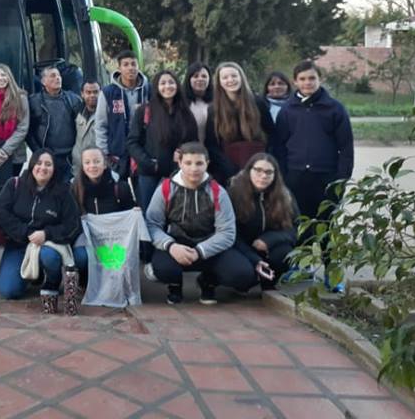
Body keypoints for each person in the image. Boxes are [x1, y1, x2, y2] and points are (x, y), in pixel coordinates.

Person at [273, 60, 354, 292]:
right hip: (296, 178)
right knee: (300, 226)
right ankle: (302, 266)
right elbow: (279, 146)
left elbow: (346, 148)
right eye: (302, 79)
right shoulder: (288, 110)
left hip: (325, 179)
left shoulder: (334, 109)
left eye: (312, 78)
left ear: (320, 80)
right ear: (295, 82)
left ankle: (332, 273)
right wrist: (283, 177)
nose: (307, 83)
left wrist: (340, 180)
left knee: (326, 227)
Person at [145, 142, 254, 304]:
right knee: (163, 269)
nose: (194, 168)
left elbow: (227, 232)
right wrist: (170, 246)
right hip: (176, 244)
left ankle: (208, 281)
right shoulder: (165, 188)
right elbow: (152, 224)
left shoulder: (218, 192)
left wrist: (200, 251)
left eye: (199, 163)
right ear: (180, 163)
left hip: (209, 246)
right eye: (188, 163)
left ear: (207, 164)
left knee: (243, 274)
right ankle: (175, 285)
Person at [0, 149, 81, 312]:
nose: (43, 168)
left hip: (48, 245)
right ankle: (35, 274)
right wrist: (25, 232)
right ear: (32, 164)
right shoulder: (14, 185)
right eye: (39, 163)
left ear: (54, 168)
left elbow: (72, 224)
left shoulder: (63, 192)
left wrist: (47, 234)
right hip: (19, 244)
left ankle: (53, 281)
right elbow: (1, 211)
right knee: (8, 291)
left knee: (49, 256)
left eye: (48, 164)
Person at [127, 69, 198, 211]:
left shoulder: (185, 112)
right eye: (163, 83)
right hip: (149, 174)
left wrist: (183, 151)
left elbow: (193, 141)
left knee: (176, 213)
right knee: (150, 213)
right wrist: (149, 163)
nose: (167, 86)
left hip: (178, 173)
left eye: (171, 82)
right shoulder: (144, 111)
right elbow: (132, 142)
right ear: (156, 87)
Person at [227, 153, 298, 289]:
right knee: (241, 275)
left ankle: (269, 283)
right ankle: (210, 280)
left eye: (269, 172)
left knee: (284, 253)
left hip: (267, 246)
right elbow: (229, 233)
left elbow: (295, 227)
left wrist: (269, 240)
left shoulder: (284, 195)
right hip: (239, 247)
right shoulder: (233, 192)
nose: (263, 176)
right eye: (258, 170)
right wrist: (254, 259)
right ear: (249, 170)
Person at [204, 62, 274, 186]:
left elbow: (272, 135)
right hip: (228, 170)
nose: (230, 80)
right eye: (225, 77)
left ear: (241, 77)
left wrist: (263, 163)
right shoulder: (214, 109)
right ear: (219, 82)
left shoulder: (258, 103)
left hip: (258, 166)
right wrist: (230, 169)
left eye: (234, 76)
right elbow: (212, 145)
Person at [71, 146, 133, 271]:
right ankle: (85, 277)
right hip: (87, 238)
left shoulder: (120, 188)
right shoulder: (75, 188)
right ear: (82, 166)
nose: (92, 166)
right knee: (80, 257)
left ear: (104, 164)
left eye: (97, 161)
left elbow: (129, 218)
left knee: (117, 261)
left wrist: (134, 212)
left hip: (114, 239)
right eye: (87, 162)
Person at [96, 50, 150, 181]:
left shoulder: (149, 90)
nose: (130, 68)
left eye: (133, 64)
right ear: (119, 68)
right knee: (120, 189)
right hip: (117, 154)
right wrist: (104, 153)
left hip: (144, 151)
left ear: (138, 66)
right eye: (126, 64)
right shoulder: (108, 92)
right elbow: (101, 125)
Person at [28, 65, 83, 183]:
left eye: (59, 75)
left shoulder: (74, 99)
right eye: (53, 76)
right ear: (43, 81)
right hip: (47, 157)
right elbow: (29, 132)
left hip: (70, 157)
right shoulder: (34, 102)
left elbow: (83, 127)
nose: (57, 78)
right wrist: (38, 152)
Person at [0, 63, 30, 191]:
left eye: (3, 75)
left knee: (10, 190)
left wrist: (5, 151)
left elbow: (23, 127)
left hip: (15, 154)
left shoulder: (21, 97)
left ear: (9, 76)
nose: (0, 78)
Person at [72, 79, 103, 170]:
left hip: (98, 165)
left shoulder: (107, 113)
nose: (92, 95)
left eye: (95, 92)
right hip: (78, 165)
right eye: (88, 92)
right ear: (82, 94)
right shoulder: (76, 112)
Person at [183, 63, 213, 143]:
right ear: (189, 79)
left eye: (204, 76)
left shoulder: (217, 101)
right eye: (196, 76)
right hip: (188, 148)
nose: (200, 79)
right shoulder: (181, 103)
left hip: (213, 148)